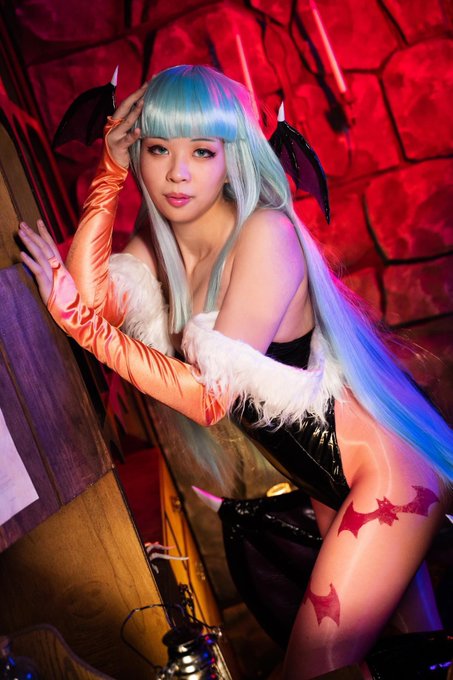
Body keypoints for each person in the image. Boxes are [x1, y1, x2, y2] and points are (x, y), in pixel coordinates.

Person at [18, 65, 452, 679]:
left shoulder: (266, 234)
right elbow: (90, 300)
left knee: (311, 669)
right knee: (410, 658)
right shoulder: (158, 244)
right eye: (157, 149)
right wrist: (108, 173)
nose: (178, 172)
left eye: (202, 151)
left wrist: (86, 329)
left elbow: (208, 397)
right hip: (329, 484)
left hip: (387, 475)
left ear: (231, 158)